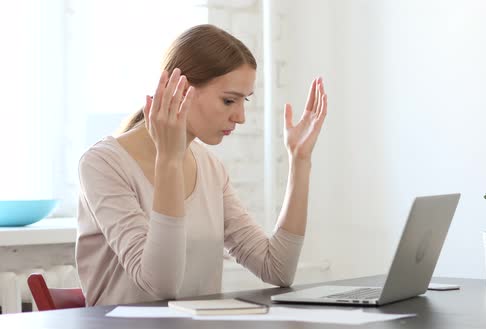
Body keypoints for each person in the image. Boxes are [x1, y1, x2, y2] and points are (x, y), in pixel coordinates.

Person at [75, 24, 327, 306]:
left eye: (244, 101)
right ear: (179, 89)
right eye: (229, 100)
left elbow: (277, 269)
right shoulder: (102, 164)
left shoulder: (210, 168)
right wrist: (169, 160)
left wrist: (300, 160)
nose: (241, 117)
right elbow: (160, 285)